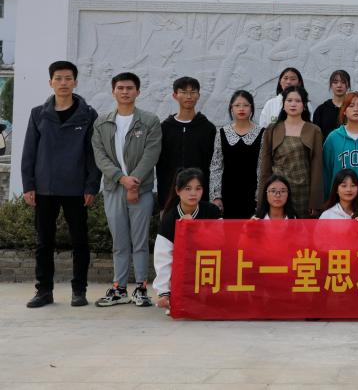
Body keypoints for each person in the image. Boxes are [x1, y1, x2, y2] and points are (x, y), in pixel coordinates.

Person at [22, 60, 100, 309]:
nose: (63, 83)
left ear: (75, 82)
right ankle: (44, 291)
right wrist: (28, 185)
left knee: (80, 242)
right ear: (50, 82)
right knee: (44, 243)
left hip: (76, 188)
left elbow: (93, 154)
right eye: (58, 78)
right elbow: (29, 151)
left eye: (68, 78)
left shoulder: (88, 115)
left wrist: (91, 186)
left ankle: (79, 291)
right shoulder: (38, 113)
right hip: (45, 188)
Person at [91, 71, 162, 307]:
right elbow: (100, 156)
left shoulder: (149, 121)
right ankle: (119, 288)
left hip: (141, 190)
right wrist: (121, 179)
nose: (125, 92)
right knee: (119, 242)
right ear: (113, 92)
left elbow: (151, 153)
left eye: (129, 88)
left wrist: (134, 181)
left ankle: (141, 288)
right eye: (120, 88)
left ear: (137, 92)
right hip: (113, 188)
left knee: (140, 241)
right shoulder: (102, 122)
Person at [153, 168, 221, 311]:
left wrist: (194, 228)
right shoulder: (169, 218)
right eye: (188, 188)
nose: (193, 193)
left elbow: (221, 242)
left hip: (208, 266)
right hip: (183, 270)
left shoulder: (212, 211)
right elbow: (163, 256)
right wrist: (163, 292)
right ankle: (169, 297)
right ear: (178, 191)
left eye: (198, 188)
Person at [257, 85, 324, 218]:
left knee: (301, 229)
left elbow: (317, 168)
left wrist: (315, 202)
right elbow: (265, 167)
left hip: (303, 192)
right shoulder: (272, 130)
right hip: (278, 191)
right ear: (283, 104)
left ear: (304, 105)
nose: (293, 104)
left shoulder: (314, 130)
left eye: (298, 101)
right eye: (289, 100)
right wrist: (261, 199)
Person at [155, 76, 216, 208]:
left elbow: (213, 163)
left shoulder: (208, 128)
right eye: (183, 92)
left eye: (193, 92)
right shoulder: (164, 128)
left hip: (200, 196)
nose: (189, 96)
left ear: (198, 95)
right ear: (175, 95)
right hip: (169, 195)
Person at [210, 90, 264, 219]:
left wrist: (260, 195)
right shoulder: (222, 132)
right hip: (227, 193)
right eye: (237, 105)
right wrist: (216, 196)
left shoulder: (262, 133)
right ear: (231, 108)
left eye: (246, 105)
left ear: (252, 108)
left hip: (252, 194)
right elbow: (216, 166)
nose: (241, 109)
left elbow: (262, 166)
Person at [311, 69, 350, 140]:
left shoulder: (352, 108)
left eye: (343, 82)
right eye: (335, 82)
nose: (339, 85)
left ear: (348, 85)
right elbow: (316, 136)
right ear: (331, 85)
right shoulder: (321, 110)